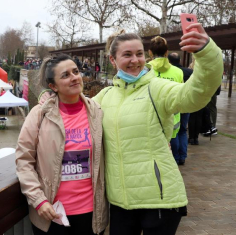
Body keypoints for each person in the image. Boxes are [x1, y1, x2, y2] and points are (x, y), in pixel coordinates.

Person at [92, 23, 223, 234]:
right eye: (127, 55)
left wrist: (206, 53)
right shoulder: (104, 97)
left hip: (159, 199)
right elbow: (74, 114)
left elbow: (197, 93)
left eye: (139, 54)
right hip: (120, 202)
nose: (135, 60)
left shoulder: (157, 88)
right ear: (112, 59)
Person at [16, 54, 108, 234]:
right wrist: (38, 200)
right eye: (65, 75)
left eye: (76, 72)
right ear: (53, 86)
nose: (74, 77)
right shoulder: (39, 114)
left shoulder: (97, 111)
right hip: (52, 214)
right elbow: (23, 160)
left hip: (91, 214)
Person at [148, 36, 184, 165]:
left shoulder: (145, 69)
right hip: (173, 117)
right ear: (166, 52)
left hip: (150, 116)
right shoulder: (178, 72)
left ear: (150, 52)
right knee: (172, 144)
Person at [168, 52, 193, 160]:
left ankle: (176, 157)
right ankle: (183, 156)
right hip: (186, 105)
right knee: (183, 131)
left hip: (175, 106)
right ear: (180, 60)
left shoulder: (170, 73)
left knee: (174, 132)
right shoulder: (190, 72)